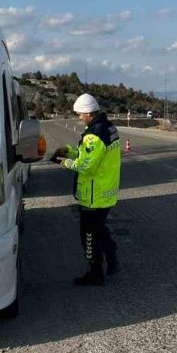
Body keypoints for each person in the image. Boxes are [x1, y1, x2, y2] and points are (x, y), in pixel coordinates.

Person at [52, 93, 121, 285]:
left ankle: (95, 272)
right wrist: (71, 151)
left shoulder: (94, 135)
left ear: (89, 113)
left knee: (89, 235)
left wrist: (66, 162)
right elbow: (94, 155)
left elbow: (87, 166)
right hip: (106, 190)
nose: (79, 118)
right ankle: (111, 253)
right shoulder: (108, 127)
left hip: (93, 194)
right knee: (99, 229)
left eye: (80, 114)